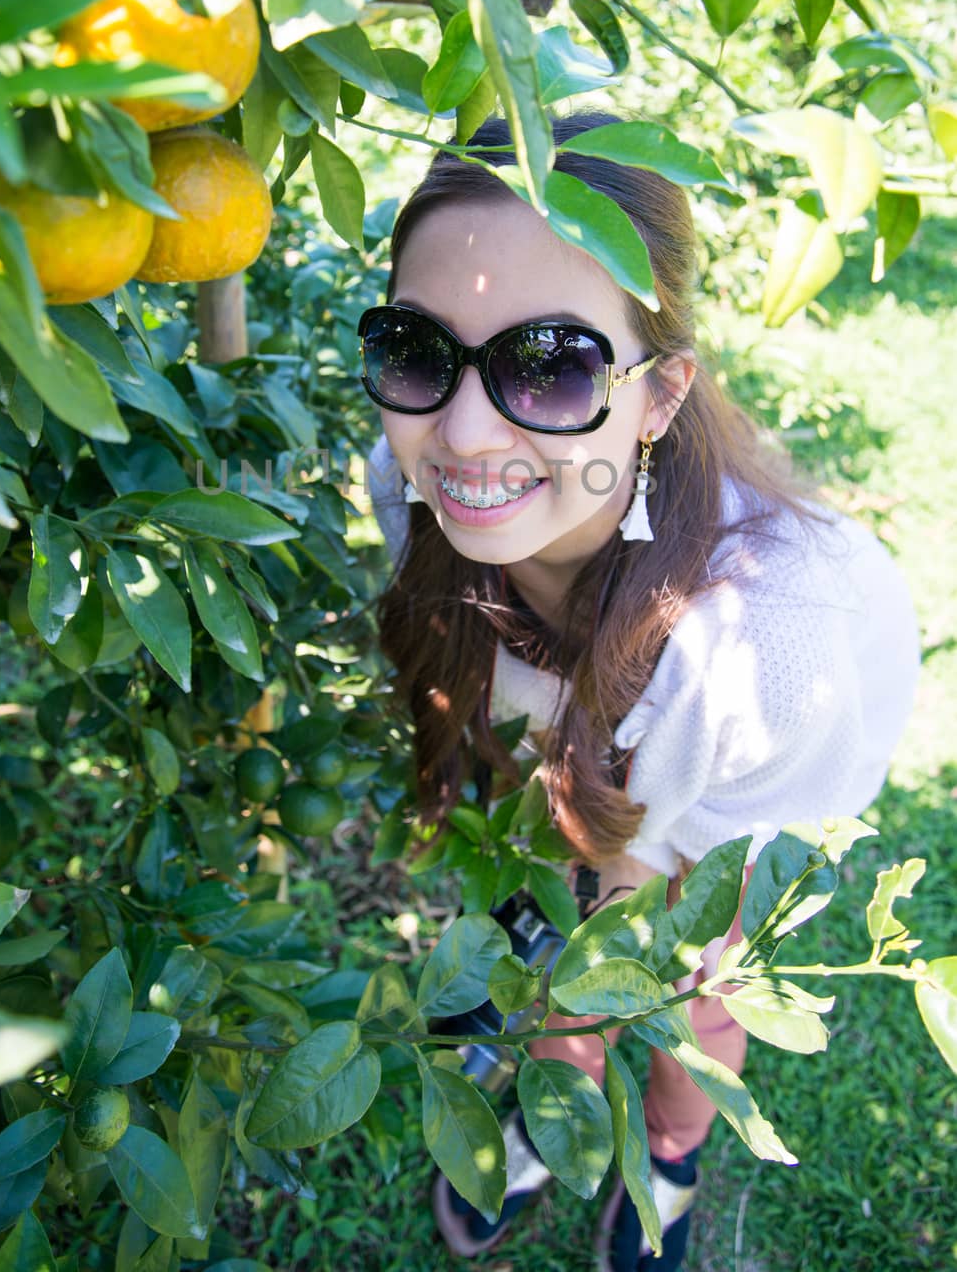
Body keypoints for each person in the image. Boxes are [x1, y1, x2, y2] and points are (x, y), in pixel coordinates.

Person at [357, 112, 921, 1271]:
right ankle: (539, 1124)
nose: (460, 435)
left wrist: (615, 884)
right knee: (540, 970)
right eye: (417, 350)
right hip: (535, 798)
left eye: (552, 365)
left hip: (712, 827)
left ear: (659, 396)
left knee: (687, 1008)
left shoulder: (780, 640)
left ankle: (666, 1153)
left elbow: (705, 856)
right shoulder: (404, 480)